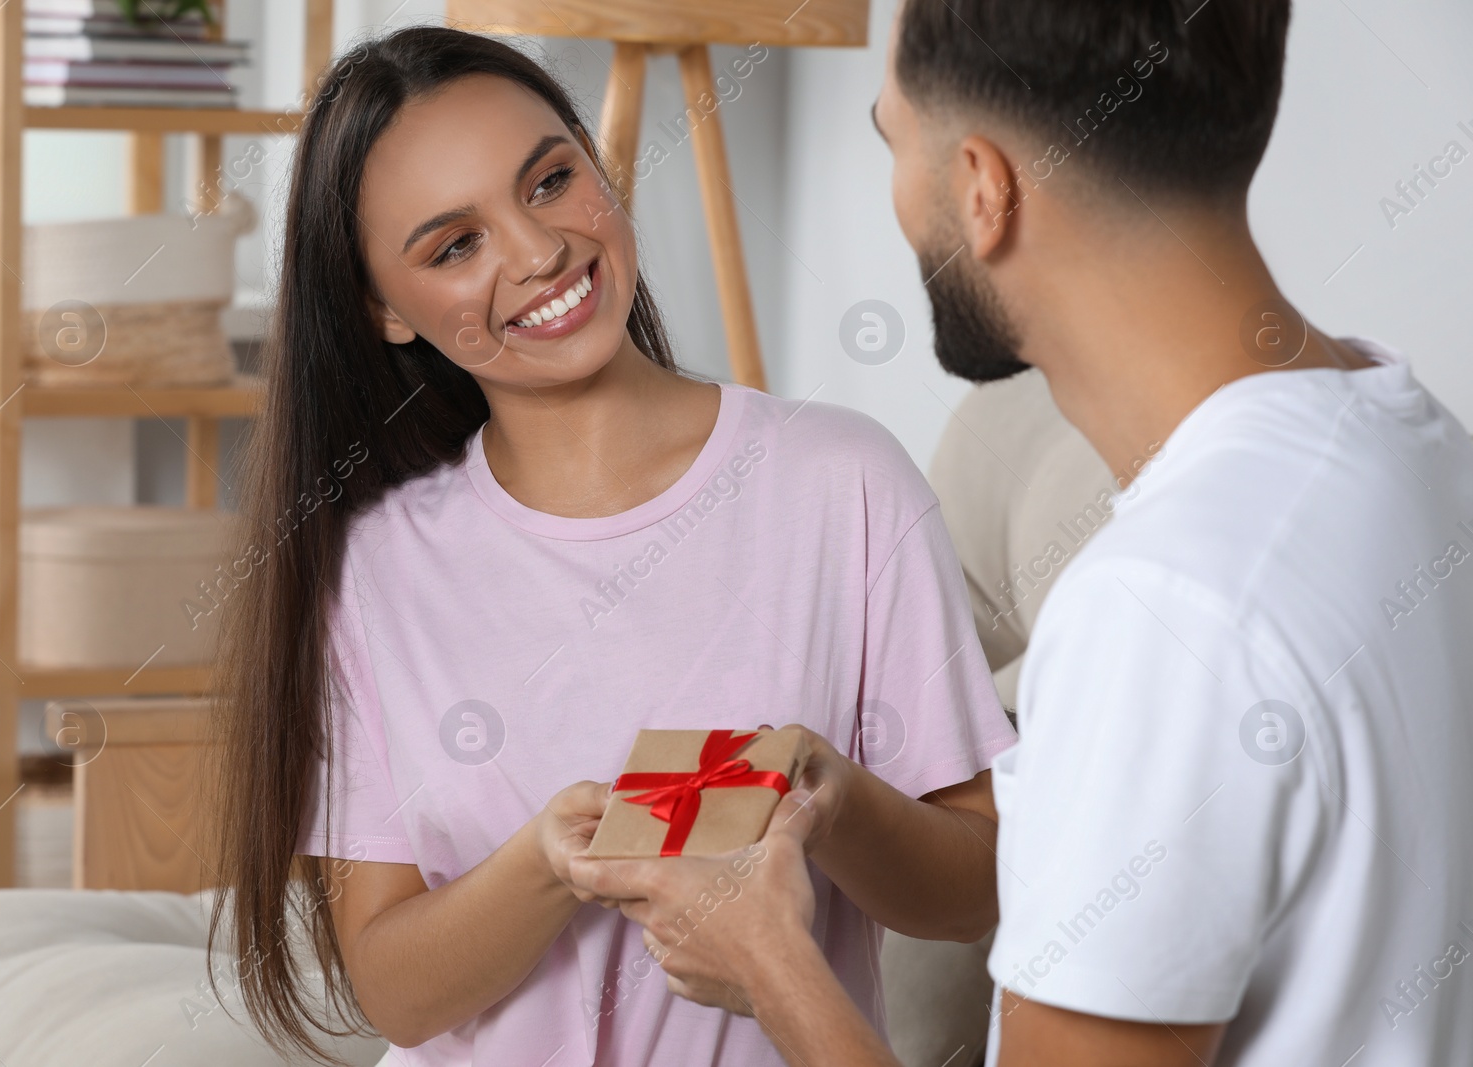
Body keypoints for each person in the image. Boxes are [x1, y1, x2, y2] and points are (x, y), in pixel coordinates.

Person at [571, 1, 1473, 1065]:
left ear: (981, 188)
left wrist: (771, 967)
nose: (900, 197)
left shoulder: (1159, 608)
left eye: (891, 143)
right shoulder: (1409, 437)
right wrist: (838, 790)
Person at [206, 25, 1018, 1067]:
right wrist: (547, 864)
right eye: (454, 245)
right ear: (384, 310)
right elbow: (396, 992)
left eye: (548, 181)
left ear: (595, 160)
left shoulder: (842, 483)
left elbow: (973, 889)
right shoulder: (376, 569)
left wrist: (829, 791)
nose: (539, 250)